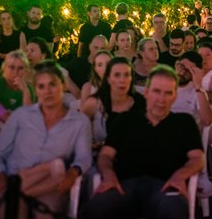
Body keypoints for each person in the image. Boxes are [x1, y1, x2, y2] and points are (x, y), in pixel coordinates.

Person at [81, 66, 204, 219]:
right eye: (156, 91)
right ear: (146, 93)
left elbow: (197, 158)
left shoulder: (184, 122)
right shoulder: (126, 120)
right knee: (95, 210)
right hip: (124, 185)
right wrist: (109, 175)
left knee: (174, 211)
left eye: (168, 93)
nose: (161, 99)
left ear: (174, 96)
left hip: (165, 185)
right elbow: (106, 155)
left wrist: (180, 175)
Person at [0, 61, 91, 217]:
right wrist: (0, 178)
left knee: (38, 206)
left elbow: (84, 157)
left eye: (52, 85)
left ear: (63, 85)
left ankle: (20, 188)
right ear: (36, 90)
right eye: (41, 87)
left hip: (50, 185)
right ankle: (22, 186)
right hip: (17, 174)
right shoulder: (21, 116)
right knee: (11, 202)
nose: (47, 91)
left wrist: (72, 173)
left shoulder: (79, 121)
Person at [81, 57, 145, 147]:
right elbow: (76, 134)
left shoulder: (141, 102)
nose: (122, 80)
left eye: (126, 75)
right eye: (117, 75)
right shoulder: (93, 103)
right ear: (108, 78)